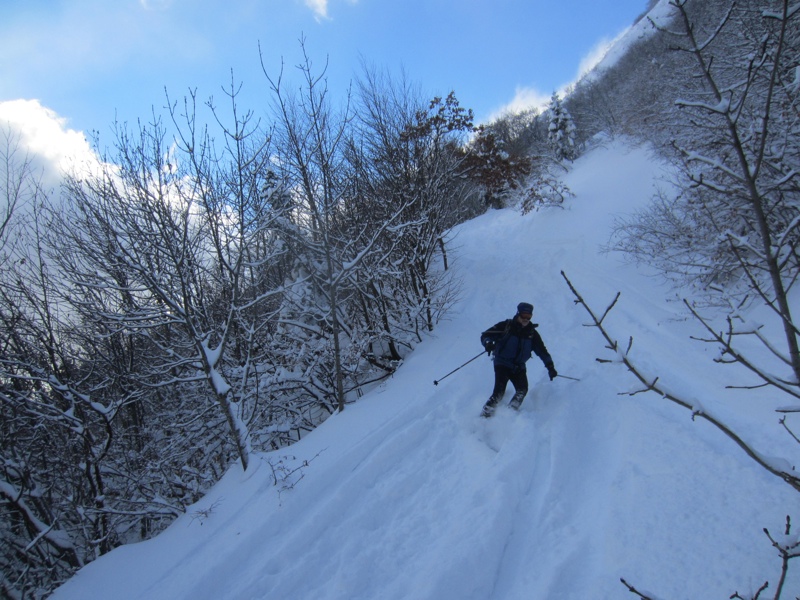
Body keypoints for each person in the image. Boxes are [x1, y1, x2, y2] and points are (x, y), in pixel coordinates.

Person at [479, 302, 557, 417]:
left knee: (522, 390)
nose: (526, 319)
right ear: (518, 314)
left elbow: (542, 351)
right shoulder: (506, 326)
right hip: (502, 363)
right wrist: (488, 343)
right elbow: (485, 335)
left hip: (518, 366)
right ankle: (485, 416)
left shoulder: (532, 334)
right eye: (523, 316)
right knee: (499, 393)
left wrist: (550, 366)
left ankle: (508, 415)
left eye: (529, 317)